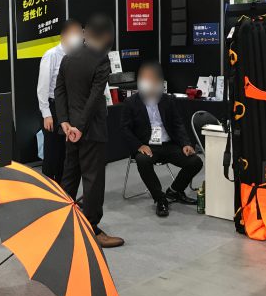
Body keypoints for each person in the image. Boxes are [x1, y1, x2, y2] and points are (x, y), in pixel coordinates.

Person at [55, 13, 124, 248]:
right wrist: (80, 127)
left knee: (69, 177)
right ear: (105, 36)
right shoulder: (101, 60)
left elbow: (59, 91)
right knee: (93, 180)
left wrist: (65, 122)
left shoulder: (68, 58)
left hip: (70, 130)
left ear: (86, 33)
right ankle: (91, 228)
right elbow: (95, 98)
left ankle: (63, 225)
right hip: (90, 130)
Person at [121, 61, 203, 218]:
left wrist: (185, 143)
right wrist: (139, 146)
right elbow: (125, 129)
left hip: (168, 144)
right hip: (147, 146)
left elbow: (178, 124)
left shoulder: (167, 100)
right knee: (143, 161)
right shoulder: (131, 103)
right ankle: (160, 199)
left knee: (195, 162)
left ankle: (174, 191)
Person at [37, 19, 83, 183]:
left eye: (79, 33)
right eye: (73, 33)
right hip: (53, 108)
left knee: (67, 153)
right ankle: (49, 190)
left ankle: (64, 191)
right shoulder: (51, 55)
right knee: (53, 154)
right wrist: (46, 114)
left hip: (71, 108)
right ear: (63, 36)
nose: (78, 37)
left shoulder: (78, 55)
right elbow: (42, 87)